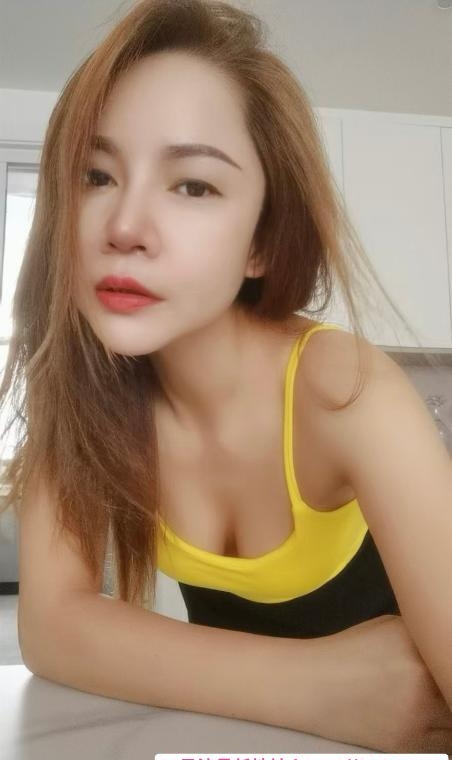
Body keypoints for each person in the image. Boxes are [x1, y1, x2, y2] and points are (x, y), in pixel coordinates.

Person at [1, 0, 451, 753]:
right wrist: (318, 687)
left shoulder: (344, 390)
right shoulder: (83, 388)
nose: (124, 227)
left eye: (193, 186)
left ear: (261, 242)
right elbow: (52, 626)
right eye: (96, 174)